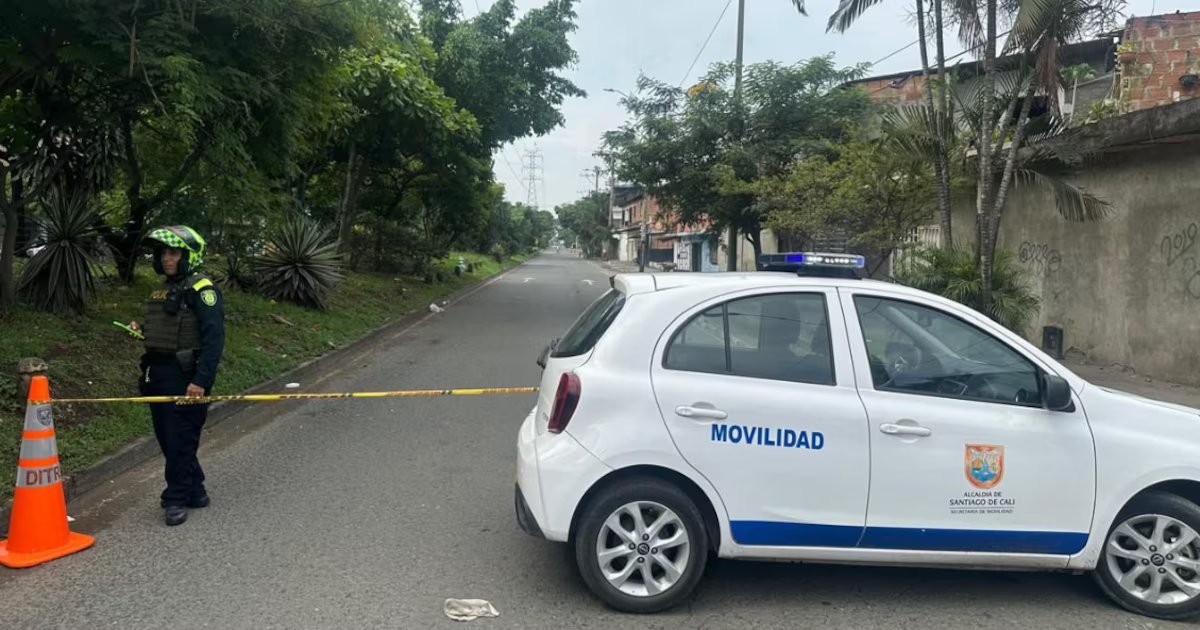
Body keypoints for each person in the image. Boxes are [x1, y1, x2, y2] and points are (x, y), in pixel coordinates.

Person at [127, 226, 225, 526]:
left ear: (188, 256)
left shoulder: (203, 290)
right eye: (163, 253)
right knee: (168, 437)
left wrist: (200, 381)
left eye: (173, 252)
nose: (166, 258)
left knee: (180, 438)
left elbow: (214, 340)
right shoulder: (163, 288)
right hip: (157, 371)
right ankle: (195, 489)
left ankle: (176, 498)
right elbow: (164, 325)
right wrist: (141, 329)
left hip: (186, 374)